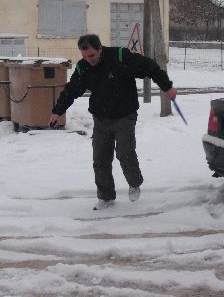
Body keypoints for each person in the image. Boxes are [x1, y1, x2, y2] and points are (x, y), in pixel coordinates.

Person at [48, 34, 176, 210]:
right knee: (100, 158)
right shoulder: (83, 67)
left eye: (92, 55)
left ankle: (134, 183)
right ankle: (106, 197)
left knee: (124, 153)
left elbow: (150, 67)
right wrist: (58, 111)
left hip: (125, 114)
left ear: (100, 48)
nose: (89, 60)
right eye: (85, 57)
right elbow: (71, 90)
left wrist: (166, 86)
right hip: (101, 118)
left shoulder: (120, 57)